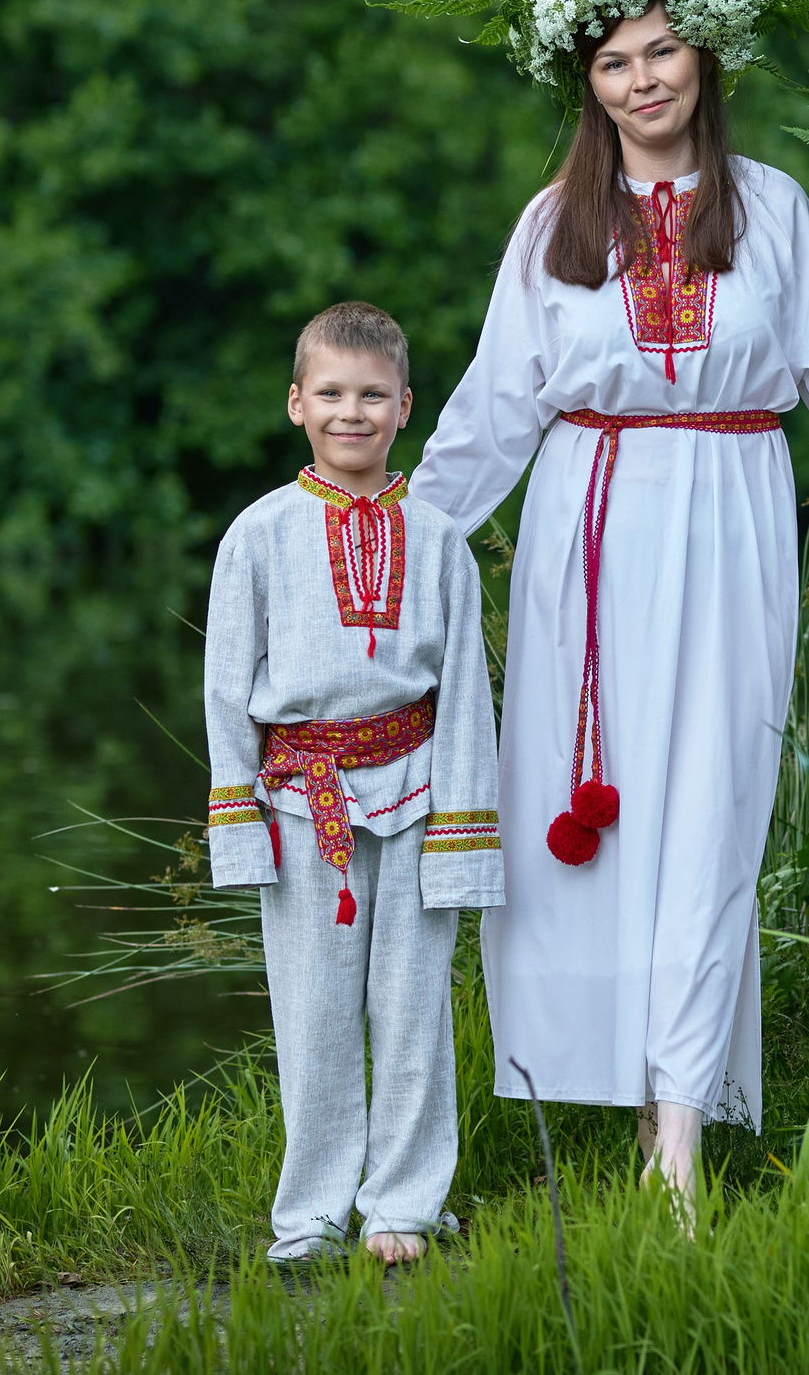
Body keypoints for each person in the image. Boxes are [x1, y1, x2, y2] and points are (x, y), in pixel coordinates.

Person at [396, 0, 809, 1196]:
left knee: (714, 800)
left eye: (662, 50)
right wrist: (393, 544)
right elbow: (494, 411)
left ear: (704, 60)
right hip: (588, 531)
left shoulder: (772, 209)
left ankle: (681, 1127)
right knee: (581, 809)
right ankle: (592, 1090)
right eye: (614, 62)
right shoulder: (553, 220)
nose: (643, 77)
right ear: (588, 84)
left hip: (730, 515)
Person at [201, 301, 502, 1265]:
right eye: (330, 393)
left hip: (416, 797)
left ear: (405, 406)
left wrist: (463, 834)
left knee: (412, 1009)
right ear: (296, 403)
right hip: (301, 804)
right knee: (314, 1013)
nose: (351, 412)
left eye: (373, 395)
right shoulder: (257, 535)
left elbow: (464, 697)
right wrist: (240, 820)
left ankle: (403, 1203)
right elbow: (226, 690)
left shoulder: (440, 539)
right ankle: (313, 1213)